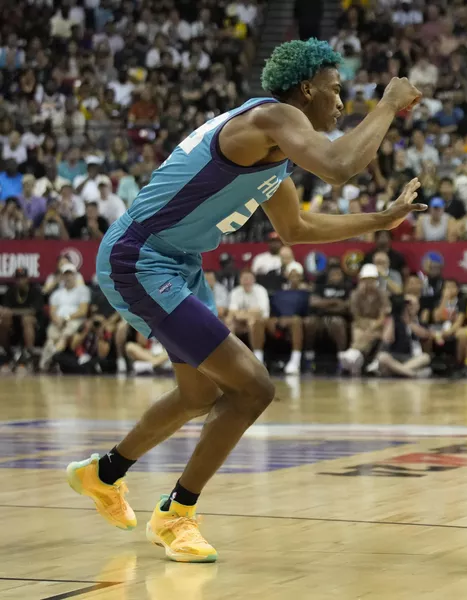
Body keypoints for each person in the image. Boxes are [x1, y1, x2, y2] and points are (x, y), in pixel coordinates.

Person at [66, 38, 424, 563]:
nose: (342, 103)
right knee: (254, 387)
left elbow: (296, 229)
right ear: (306, 90)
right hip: (138, 256)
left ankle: (104, 473)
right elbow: (340, 165)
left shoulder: (273, 153)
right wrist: (390, 103)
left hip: (179, 264)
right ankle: (176, 514)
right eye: (335, 90)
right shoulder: (269, 120)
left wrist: (378, 221)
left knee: (197, 396)